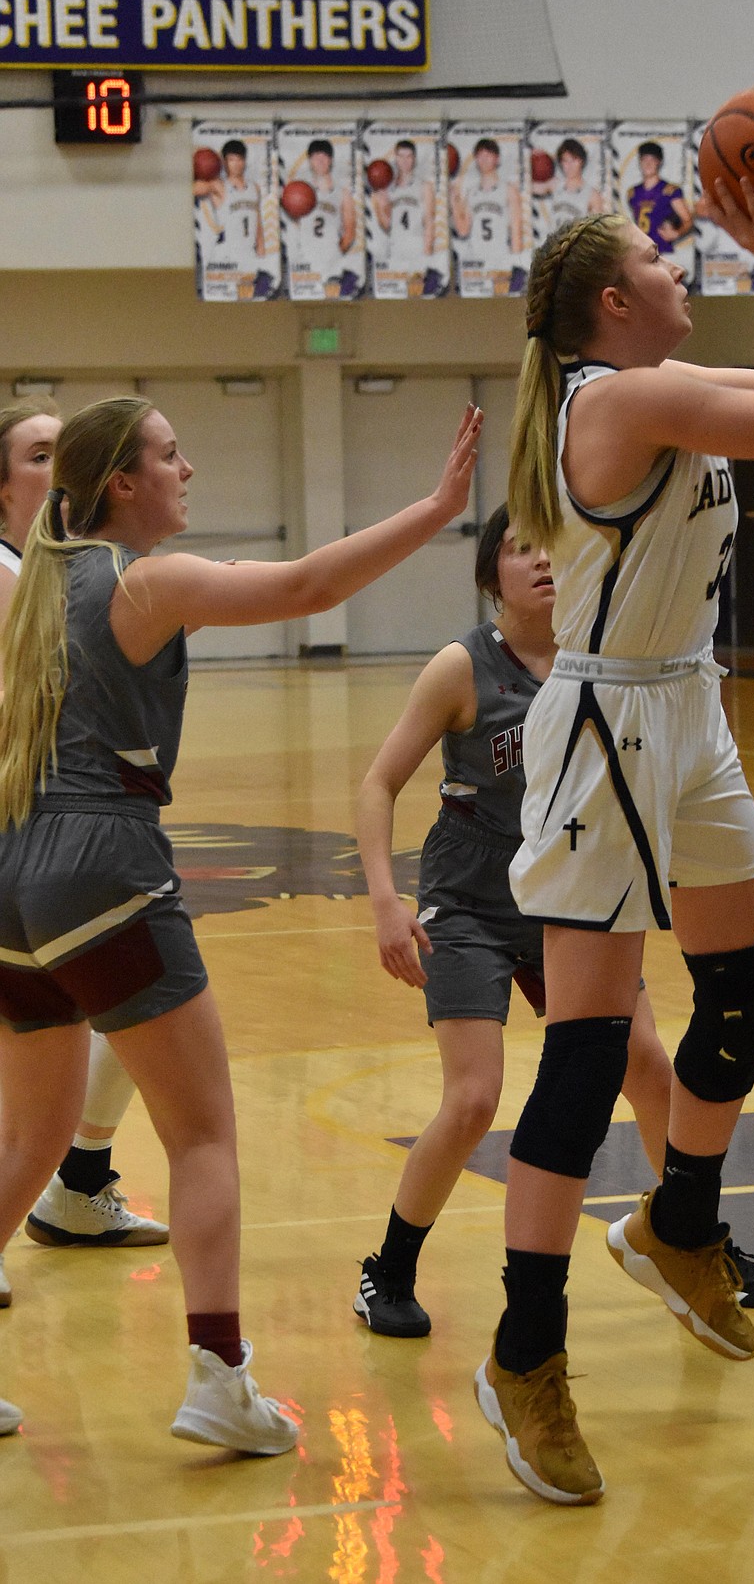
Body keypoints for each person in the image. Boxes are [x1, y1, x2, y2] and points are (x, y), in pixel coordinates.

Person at [473, 148, 754, 1506]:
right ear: (612, 306)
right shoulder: (620, 399)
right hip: (601, 732)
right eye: (651, 257)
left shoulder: (659, 391)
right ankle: (526, 1348)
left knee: (745, 984)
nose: (672, 258)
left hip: (686, 709)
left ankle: (681, 1218)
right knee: (585, 1056)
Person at [0, 395, 481, 1447]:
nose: (189, 471)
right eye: (171, 455)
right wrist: (435, 507)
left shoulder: (37, 582)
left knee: (32, 1136)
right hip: (101, 866)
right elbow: (307, 584)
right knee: (204, 1132)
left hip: (12, 876)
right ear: (123, 482)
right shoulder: (144, 576)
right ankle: (218, 1380)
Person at [353, 506, 754, 1337]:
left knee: (649, 1066)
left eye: (554, 548)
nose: (542, 563)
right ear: (492, 573)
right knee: (474, 1098)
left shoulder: (606, 660)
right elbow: (378, 781)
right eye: (521, 550)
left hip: (573, 891)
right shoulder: (461, 666)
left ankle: (694, 1236)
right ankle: (390, 1267)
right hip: (475, 901)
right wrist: (386, 897)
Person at [0, 400, 167, 1324]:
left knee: (140, 1003)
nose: (57, 466)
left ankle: (82, 1180)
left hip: (51, 841)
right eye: (37, 455)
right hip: (29, 841)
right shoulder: (19, 579)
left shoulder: (61, 573)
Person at [450, 138, 525, 283]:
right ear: (476, 159)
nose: (484, 159)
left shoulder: (509, 190)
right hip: (475, 261)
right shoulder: (471, 193)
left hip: (501, 261)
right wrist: (454, 202)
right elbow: (463, 230)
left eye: (488, 155)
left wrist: (516, 263)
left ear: (497, 158)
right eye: (480, 155)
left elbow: (516, 231)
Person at [292, 138, 359, 297]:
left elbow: (350, 232)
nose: (320, 160)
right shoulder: (298, 192)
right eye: (316, 156)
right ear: (309, 161)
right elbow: (293, 227)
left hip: (332, 264)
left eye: (324, 156)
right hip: (305, 263)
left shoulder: (343, 194)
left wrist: (334, 254)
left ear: (331, 160)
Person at [370, 139, 436, 264]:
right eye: (401, 156)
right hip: (395, 250)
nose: (405, 161)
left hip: (418, 249)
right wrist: (380, 207)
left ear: (414, 159)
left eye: (409, 156)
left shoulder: (424, 186)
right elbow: (387, 225)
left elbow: (429, 223)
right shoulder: (388, 189)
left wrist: (427, 256)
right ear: (396, 158)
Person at [625, 142, 692, 254]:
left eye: (652, 160)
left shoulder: (670, 191)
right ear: (640, 162)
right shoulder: (633, 192)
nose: (648, 164)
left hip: (662, 253)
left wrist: (677, 233)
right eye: (644, 160)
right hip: (641, 253)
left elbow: (688, 220)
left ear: (659, 162)